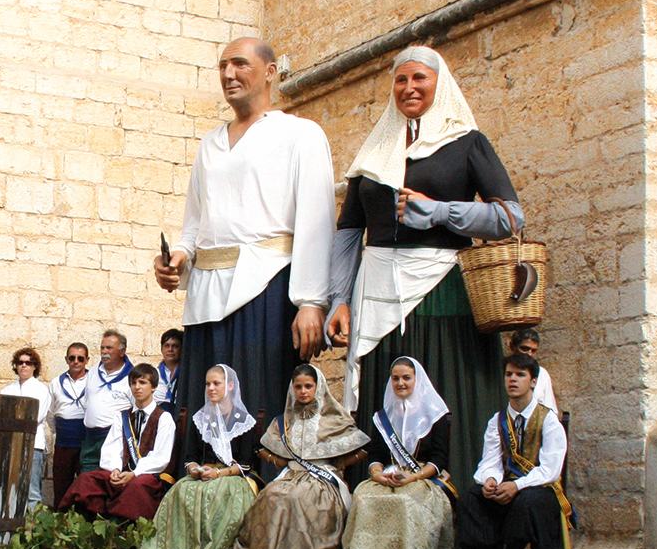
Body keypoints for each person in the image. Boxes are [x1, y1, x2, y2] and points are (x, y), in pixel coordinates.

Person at [325, 45, 523, 505]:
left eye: (419, 79)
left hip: (442, 286)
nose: (409, 88)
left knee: (447, 391)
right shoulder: (374, 151)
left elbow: (511, 217)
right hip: (375, 292)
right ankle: (375, 525)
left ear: (439, 84)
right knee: (380, 401)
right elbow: (350, 231)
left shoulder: (468, 142)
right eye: (400, 80)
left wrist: (437, 212)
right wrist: (338, 299)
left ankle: (455, 524)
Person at [153, 37, 335, 432]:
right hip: (206, 296)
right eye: (222, 66)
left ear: (270, 72)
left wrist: (311, 301)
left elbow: (317, 220)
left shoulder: (300, 134)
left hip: (267, 285)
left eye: (239, 64)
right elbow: (194, 224)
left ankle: (257, 488)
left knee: (258, 397)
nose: (228, 74)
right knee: (205, 403)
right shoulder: (210, 143)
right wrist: (178, 258)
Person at [217, 365, 369, 549]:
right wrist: (278, 461)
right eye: (298, 387)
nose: (303, 391)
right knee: (272, 496)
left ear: (318, 387)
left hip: (323, 479)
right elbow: (265, 449)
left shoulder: (334, 419)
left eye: (308, 386)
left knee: (305, 500)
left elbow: (360, 449)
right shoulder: (284, 421)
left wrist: (339, 465)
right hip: (290, 475)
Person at [456, 353, 570, 549]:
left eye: (520, 375)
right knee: (471, 498)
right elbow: (490, 461)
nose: (513, 380)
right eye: (509, 374)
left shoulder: (548, 420)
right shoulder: (497, 421)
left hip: (540, 491)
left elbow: (550, 470)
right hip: (506, 489)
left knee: (527, 503)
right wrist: (490, 481)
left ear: (533, 381)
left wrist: (517, 487)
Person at [341, 356, 456, 549]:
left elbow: (440, 459)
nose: (401, 383)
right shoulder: (383, 417)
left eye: (406, 378)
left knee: (405, 503)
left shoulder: (437, 415)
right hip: (390, 476)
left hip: (423, 478)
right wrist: (376, 474)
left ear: (418, 380)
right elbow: (375, 455)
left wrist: (412, 477)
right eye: (395, 379)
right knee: (364, 498)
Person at [133, 364, 260, 549]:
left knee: (218, 493)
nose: (210, 388)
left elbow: (246, 464)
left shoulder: (244, 421)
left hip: (233, 477)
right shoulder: (200, 419)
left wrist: (219, 474)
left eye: (216, 383)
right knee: (179, 492)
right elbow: (190, 457)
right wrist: (194, 469)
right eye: (207, 384)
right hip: (205, 474)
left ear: (229, 386)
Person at [58, 363, 173, 522]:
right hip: (121, 472)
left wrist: (134, 473)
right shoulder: (122, 416)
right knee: (86, 480)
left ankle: (121, 533)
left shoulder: (164, 418)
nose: (137, 387)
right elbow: (112, 448)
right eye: (133, 383)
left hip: (147, 475)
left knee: (136, 487)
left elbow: (161, 457)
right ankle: (86, 527)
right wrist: (115, 470)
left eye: (142, 382)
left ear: (153, 387)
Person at [0, 347, 51, 508]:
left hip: (33, 444)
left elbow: (36, 417)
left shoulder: (41, 390)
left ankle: (33, 529)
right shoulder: (7, 390)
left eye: (28, 363)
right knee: (9, 488)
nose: (24, 366)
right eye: (20, 362)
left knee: (32, 491)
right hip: (10, 444)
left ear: (34, 367)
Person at [79, 329, 135, 473]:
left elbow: (136, 409)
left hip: (114, 436)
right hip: (90, 436)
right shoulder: (92, 372)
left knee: (110, 477)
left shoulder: (132, 377)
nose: (104, 351)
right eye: (102, 347)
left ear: (122, 352)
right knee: (87, 477)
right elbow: (87, 401)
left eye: (109, 348)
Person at [48, 342, 90, 504]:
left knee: (85, 485)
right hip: (63, 442)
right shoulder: (56, 383)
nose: (76, 362)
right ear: (66, 359)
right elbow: (50, 414)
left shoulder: (94, 381)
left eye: (80, 358)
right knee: (61, 485)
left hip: (86, 442)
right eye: (72, 358)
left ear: (87, 360)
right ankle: (59, 521)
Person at [508, 327, 556, 413]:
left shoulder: (542, 374)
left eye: (533, 350)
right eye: (524, 349)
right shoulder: (504, 372)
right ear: (512, 347)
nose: (529, 354)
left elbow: (549, 408)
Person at [154, 329, 183, 408]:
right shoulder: (154, 374)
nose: (170, 349)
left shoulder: (186, 375)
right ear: (162, 349)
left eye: (175, 346)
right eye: (167, 346)